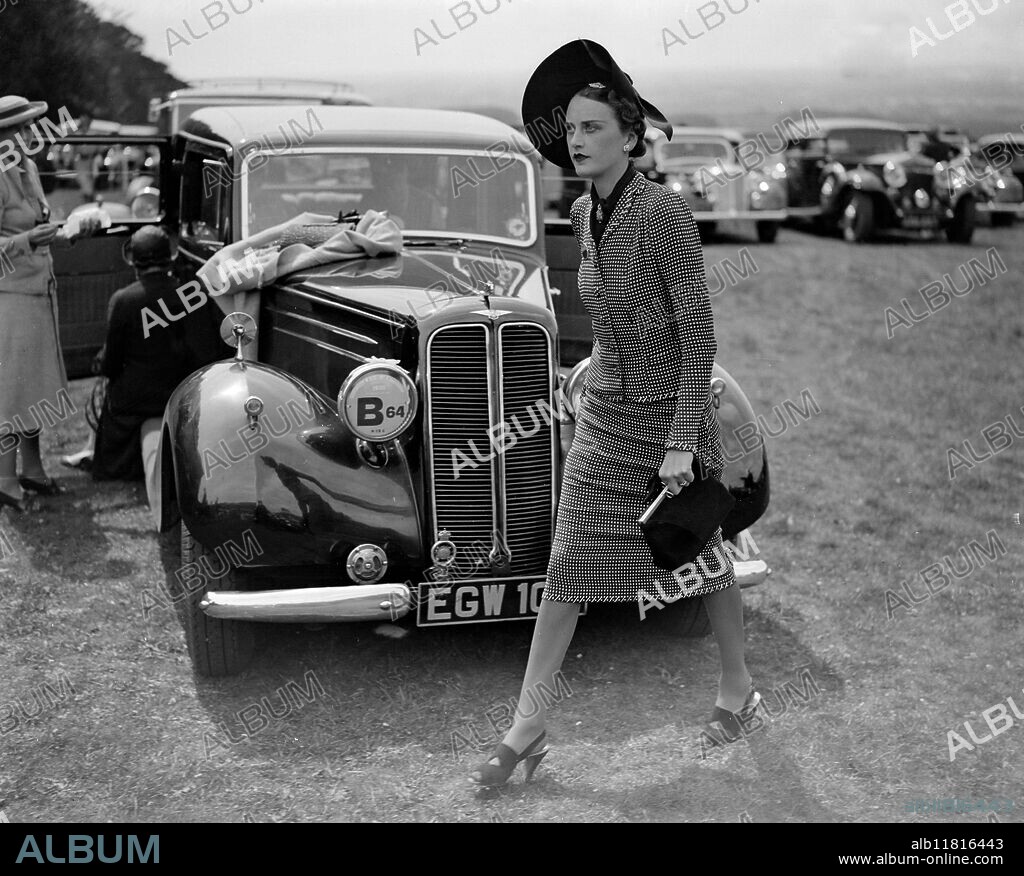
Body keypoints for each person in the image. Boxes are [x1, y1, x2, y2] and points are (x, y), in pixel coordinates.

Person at [469, 40, 759, 788]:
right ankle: (526, 729)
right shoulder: (585, 213)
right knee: (565, 570)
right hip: (605, 418)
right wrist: (590, 366)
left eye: (594, 127)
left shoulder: (664, 213)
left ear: (630, 136)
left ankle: (737, 688)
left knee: (699, 556)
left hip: (670, 417)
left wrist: (678, 445)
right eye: (571, 130)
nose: (579, 140)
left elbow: (697, 334)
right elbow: (611, 317)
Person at [0, 96, 100, 513]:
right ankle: (5, 481)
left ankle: (33, 470)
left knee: (34, 386)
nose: (31, 135)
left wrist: (68, 232)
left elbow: (39, 226)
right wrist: (27, 241)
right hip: (10, 296)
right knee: (10, 390)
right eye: (24, 129)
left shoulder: (27, 169)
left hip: (39, 290)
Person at [90, 226, 196, 514]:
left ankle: (117, 465)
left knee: (112, 396)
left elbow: (112, 363)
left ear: (134, 262)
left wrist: (101, 366)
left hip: (133, 399)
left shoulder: (123, 300)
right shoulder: (188, 294)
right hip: (178, 393)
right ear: (169, 258)